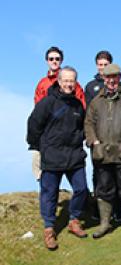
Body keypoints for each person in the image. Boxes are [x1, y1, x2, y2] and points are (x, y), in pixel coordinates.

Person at [27, 66, 89, 250]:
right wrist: (39, 147)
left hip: (74, 156)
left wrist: (80, 141)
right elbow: (33, 125)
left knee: (82, 189)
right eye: (66, 80)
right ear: (59, 81)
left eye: (72, 81)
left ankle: (74, 220)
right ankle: (49, 229)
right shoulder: (47, 103)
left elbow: (81, 128)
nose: (69, 84)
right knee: (49, 194)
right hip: (52, 155)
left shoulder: (78, 105)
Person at [84, 63, 121, 239]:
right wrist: (94, 142)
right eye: (108, 77)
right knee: (103, 189)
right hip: (102, 153)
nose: (111, 81)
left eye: (114, 77)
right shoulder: (96, 101)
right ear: (103, 79)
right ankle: (104, 223)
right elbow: (88, 123)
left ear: (120, 77)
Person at [32, 47, 85, 182]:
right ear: (47, 61)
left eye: (57, 59)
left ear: (61, 60)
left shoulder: (72, 81)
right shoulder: (42, 83)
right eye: (51, 59)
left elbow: (81, 105)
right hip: (48, 134)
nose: (54, 61)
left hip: (69, 133)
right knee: (42, 168)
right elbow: (38, 109)